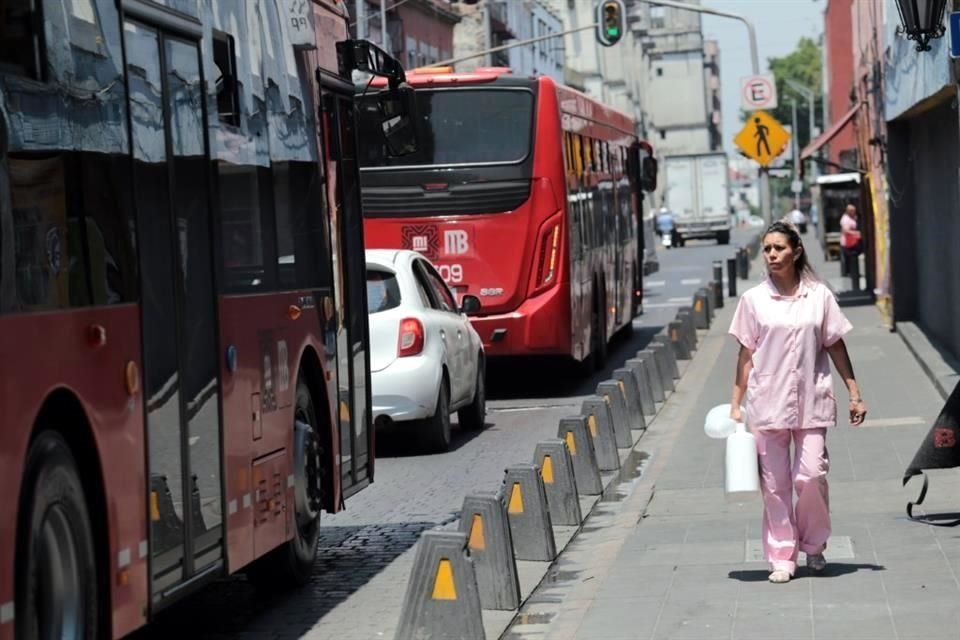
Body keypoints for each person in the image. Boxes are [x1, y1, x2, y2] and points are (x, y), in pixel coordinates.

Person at [728, 221, 867, 584]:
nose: (771, 255)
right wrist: (735, 404)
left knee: (811, 475)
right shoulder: (753, 300)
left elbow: (835, 343)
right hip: (767, 403)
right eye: (767, 248)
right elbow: (746, 353)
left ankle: (815, 545)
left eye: (778, 248)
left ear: (796, 251)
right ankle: (781, 557)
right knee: (775, 486)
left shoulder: (819, 296)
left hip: (811, 399)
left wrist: (854, 392)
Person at [840, 204, 862, 290]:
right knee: (850, 258)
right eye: (853, 211)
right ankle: (851, 274)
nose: (854, 212)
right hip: (848, 242)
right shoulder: (845, 219)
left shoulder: (853, 217)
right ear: (848, 211)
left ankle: (854, 274)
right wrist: (856, 233)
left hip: (853, 241)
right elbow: (846, 230)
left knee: (853, 258)